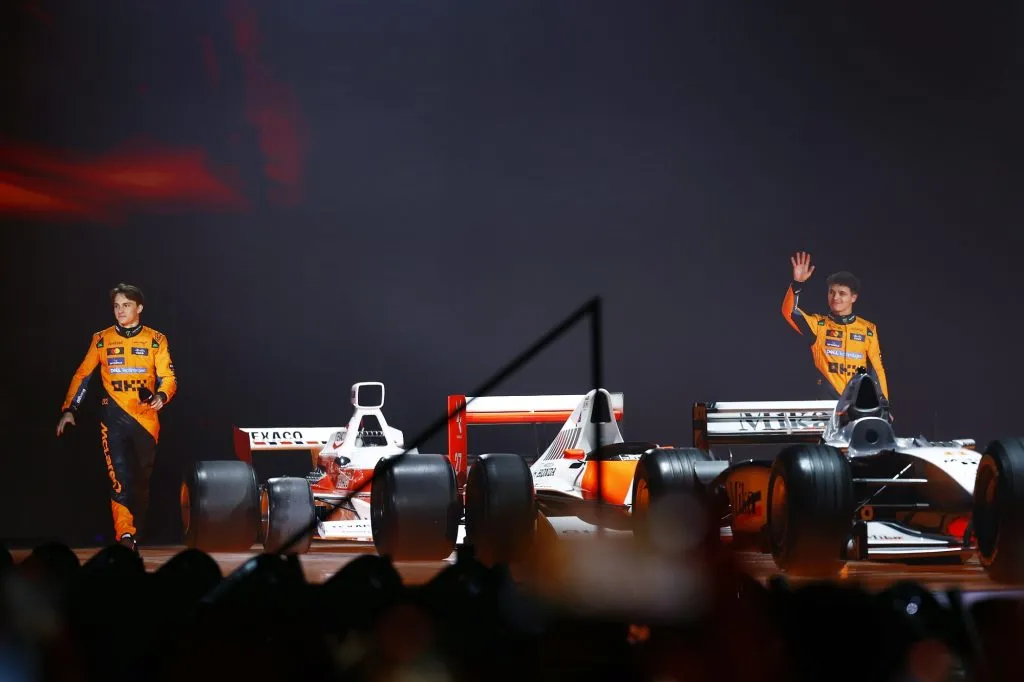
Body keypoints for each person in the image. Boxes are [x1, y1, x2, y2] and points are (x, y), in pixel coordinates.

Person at [56, 283, 177, 552]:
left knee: (141, 482)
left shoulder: (156, 339)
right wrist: (69, 409)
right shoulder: (101, 338)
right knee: (119, 478)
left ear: (139, 308)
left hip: (146, 419)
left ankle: (137, 531)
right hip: (112, 417)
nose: (120, 310)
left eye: (126, 305)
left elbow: (168, 377)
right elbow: (82, 376)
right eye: (116, 306)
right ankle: (125, 535)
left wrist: (161, 395)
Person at [781, 252, 889, 400]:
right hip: (824, 402)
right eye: (831, 292)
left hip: (857, 402)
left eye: (842, 293)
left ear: (853, 297)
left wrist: (883, 402)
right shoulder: (818, 325)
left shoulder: (868, 329)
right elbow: (789, 312)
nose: (835, 297)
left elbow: (877, 369)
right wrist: (797, 284)